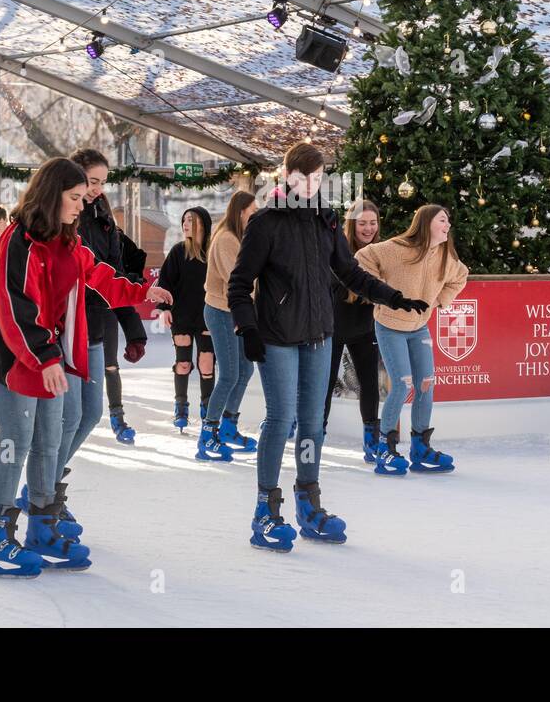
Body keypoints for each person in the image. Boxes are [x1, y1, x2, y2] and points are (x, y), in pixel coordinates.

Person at [0, 158, 169, 577]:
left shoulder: (67, 242)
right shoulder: (16, 241)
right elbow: (13, 305)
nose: (82, 205)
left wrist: (143, 291)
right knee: (16, 441)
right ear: (51, 195)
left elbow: (99, 274)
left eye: (84, 197)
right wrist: (43, 357)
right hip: (12, 355)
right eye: (75, 197)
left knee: (48, 439)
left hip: (47, 355)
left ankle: (43, 526)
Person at [228, 143, 423, 552]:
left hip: (319, 335)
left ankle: (309, 503)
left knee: (313, 423)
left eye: (319, 177)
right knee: (281, 420)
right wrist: (247, 328)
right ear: (288, 176)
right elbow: (239, 283)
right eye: (304, 177)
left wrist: (393, 297)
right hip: (278, 337)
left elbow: (350, 272)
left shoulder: (326, 220)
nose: (312, 184)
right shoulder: (265, 223)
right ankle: (265, 510)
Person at [357, 204, 470, 476]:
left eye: (448, 220)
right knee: (401, 385)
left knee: (426, 384)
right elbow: (362, 258)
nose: (448, 225)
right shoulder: (396, 249)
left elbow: (461, 277)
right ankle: (385, 446)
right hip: (390, 325)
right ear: (427, 222)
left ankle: (420, 448)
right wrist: (379, 294)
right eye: (443, 220)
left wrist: (438, 303)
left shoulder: (444, 256)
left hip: (419, 327)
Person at [70, 148, 148, 447]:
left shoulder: (103, 213)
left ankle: (117, 415)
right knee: (72, 413)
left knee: (106, 373)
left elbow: (116, 272)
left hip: (102, 311)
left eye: (102, 182)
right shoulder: (64, 217)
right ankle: (45, 481)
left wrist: (134, 329)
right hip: (71, 319)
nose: (98, 189)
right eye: (92, 181)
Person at [199, 190, 259, 461]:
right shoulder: (225, 238)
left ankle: (228, 427)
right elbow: (235, 278)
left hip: (236, 312)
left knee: (245, 370)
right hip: (221, 311)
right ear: (241, 211)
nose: (255, 216)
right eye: (252, 212)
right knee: (229, 375)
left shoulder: (241, 238)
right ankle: (207, 434)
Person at [324, 199, 385, 461]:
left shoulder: (383, 251)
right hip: (334, 326)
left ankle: (371, 440)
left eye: (372, 223)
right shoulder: (339, 249)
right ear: (352, 224)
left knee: (369, 382)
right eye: (362, 223)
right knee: (323, 385)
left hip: (365, 327)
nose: (368, 228)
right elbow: (331, 284)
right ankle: (316, 435)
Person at [158, 205, 213, 431]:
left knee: (207, 363)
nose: (185, 224)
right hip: (181, 316)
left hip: (209, 316)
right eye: (184, 220)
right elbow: (165, 281)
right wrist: (164, 308)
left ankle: (208, 408)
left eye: (191, 220)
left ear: (203, 224)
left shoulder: (213, 251)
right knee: (183, 363)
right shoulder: (178, 251)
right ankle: (181, 406)